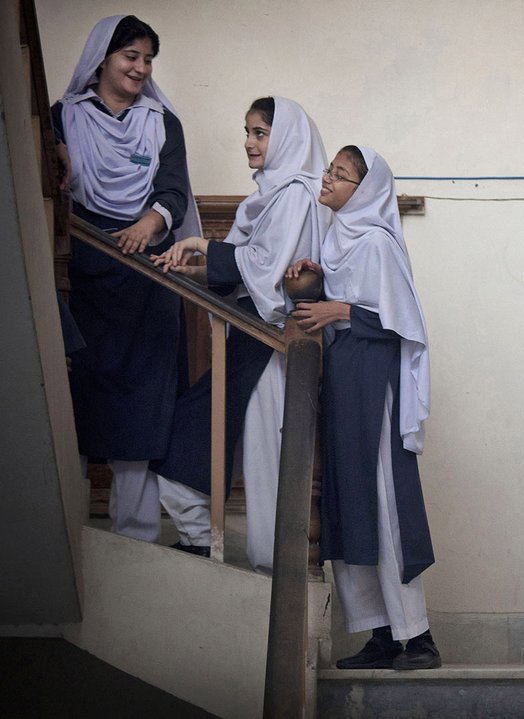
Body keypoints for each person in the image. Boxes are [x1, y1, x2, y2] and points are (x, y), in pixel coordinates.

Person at [150, 97, 330, 574]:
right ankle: (215, 541)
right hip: (254, 334)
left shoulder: (296, 192)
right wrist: (197, 261)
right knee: (222, 434)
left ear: (285, 138)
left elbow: (270, 270)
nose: (248, 143)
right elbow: (249, 261)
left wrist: (203, 245)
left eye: (260, 133)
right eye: (247, 132)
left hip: (273, 340)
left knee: (267, 452)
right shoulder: (272, 193)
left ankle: (276, 565)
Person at [286, 145, 440, 670]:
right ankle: (378, 635)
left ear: (364, 191)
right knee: (349, 502)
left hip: (374, 386)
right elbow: (331, 303)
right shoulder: (335, 240)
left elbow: (405, 325)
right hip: (344, 382)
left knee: (384, 503)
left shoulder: (377, 242)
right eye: (330, 169)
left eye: (341, 174)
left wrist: (341, 308)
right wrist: (314, 279)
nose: (327, 178)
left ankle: (417, 638)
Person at [52, 15, 200, 543]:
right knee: (77, 400)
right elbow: (48, 185)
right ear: (103, 58)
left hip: (147, 277)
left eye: (147, 59)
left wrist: (150, 222)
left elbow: (175, 188)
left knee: (142, 406)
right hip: (85, 279)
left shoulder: (163, 122)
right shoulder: (62, 118)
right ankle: (68, 535)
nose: (140, 67)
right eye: (130, 56)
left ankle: (135, 537)